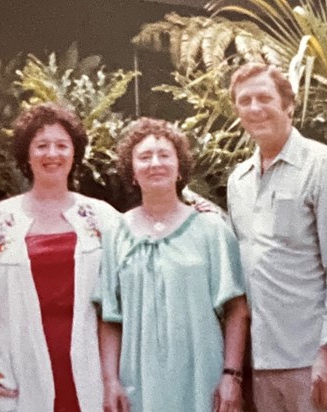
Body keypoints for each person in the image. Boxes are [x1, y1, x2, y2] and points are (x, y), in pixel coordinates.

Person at [0, 103, 119, 412]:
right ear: (27, 154)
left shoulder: (101, 217)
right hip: (17, 372)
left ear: (75, 153)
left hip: (91, 371)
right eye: (42, 146)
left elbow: (143, 261)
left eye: (62, 145)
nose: (52, 154)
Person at [227, 62, 327, 411]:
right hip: (266, 364)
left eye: (264, 98)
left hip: (319, 360)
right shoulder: (238, 180)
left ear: (288, 104)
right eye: (245, 100)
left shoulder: (322, 164)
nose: (255, 108)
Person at [93, 117, 249, 412]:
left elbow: (237, 310)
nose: (155, 163)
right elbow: (110, 318)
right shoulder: (116, 233)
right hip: (137, 382)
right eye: (144, 157)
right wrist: (110, 381)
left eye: (164, 155)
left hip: (203, 376)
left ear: (179, 168)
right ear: (132, 172)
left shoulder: (210, 230)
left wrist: (232, 377)